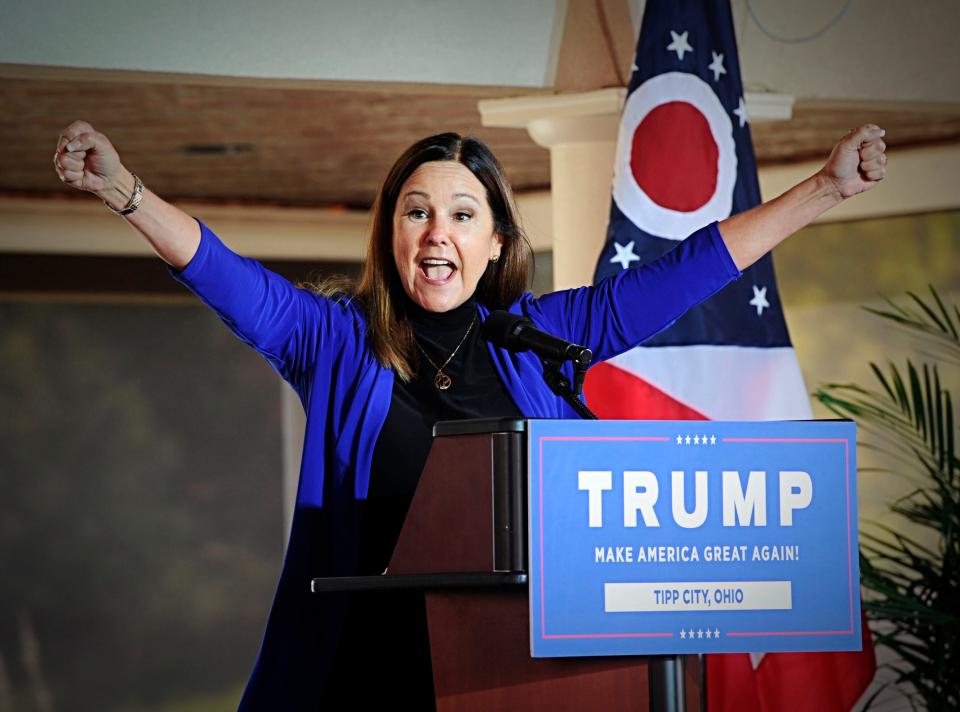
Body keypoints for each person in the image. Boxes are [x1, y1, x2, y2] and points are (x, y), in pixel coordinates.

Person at [53, 120, 886, 710]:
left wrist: (825, 188)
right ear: (390, 235)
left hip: (514, 677)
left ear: (494, 243)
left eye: (461, 213)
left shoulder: (542, 340)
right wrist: (122, 190)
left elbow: (684, 275)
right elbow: (224, 274)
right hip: (368, 672)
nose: (434, 232)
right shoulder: (334, 342)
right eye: (415, 211)